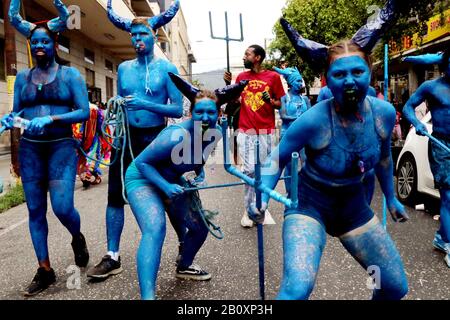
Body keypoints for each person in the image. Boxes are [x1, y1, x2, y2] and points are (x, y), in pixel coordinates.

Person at [252, 5, 409, 299]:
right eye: (339, 74)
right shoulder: (314, 120)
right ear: (327, 79)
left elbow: (386, 159)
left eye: (357, 71)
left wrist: (391, 198)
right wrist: (260, 195)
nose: (349, 80)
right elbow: (278, 157)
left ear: (369, 72)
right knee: (297, 289)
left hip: (354, 208)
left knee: (393, 286)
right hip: (310, 206)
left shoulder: (384, 115)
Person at [125, 73, 248, 299]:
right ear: (191, 112)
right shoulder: (175, 135)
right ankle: (148, 296)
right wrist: (166, 187)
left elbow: (197, 160)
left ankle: (184, 266)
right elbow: (142, 163)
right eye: (199, 111)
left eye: (211, 112)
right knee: (155, 228)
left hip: (173, 179)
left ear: (218, 114)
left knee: (200, 228)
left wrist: (197, 175)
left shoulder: (215, 134)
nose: (205, 116)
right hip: (143, 178)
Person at [87, 0, 183, 280]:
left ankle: (183, 246)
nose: (137, 39)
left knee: (168, 195)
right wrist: (117, 105)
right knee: (115, 195)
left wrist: (144, 103)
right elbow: (119, 99)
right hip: (125, 138)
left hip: (155, 139)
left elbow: (176, 109)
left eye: (143, 35)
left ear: (154, 36)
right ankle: (112, 255)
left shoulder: (169, 70)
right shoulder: (124, 69)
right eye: (134, 35)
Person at [1, 0, 90, 296]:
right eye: (34, 41)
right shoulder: (24, 78)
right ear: (31, 44)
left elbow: (83, 112)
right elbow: (17, 112)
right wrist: (9, 119)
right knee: (36, 210)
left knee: (63, 208)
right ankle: (45, 270)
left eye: (44, 41)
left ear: (54, 43)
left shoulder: (70, 76)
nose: (39, 45)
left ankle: (77, 236)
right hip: (30, 150)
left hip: (61, 146)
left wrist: (52, 117)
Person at [224, 44, 286, 228]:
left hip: (266, 132)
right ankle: (248, 209)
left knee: (264, 171)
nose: (244, 57)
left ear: (257, 57)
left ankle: (260, 207)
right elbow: (233, 99)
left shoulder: (273, 77)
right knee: (250, 170)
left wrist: (270, 100)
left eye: (247, 54)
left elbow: (280, 104)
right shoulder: (242, 77)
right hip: (245, 131)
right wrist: (229, 85)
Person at [402, 49, 450, 267]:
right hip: (441, 145)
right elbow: (408, 107)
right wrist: (418, 123)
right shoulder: (432, 87)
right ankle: (449, 244)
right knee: (448, 196)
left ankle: (441, 236)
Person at [273, 66, 311, 195]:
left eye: (301, 81)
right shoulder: (284, 98)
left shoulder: (305, 99)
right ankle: (290, 192)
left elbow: (311, 114)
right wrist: (300, 118)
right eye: (297, 81)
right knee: (289, 166)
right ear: (290, 83)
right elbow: (284, 116)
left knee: (306, 162)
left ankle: (305, 190)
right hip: (288, 134)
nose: (300, 84)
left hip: (304, 136)